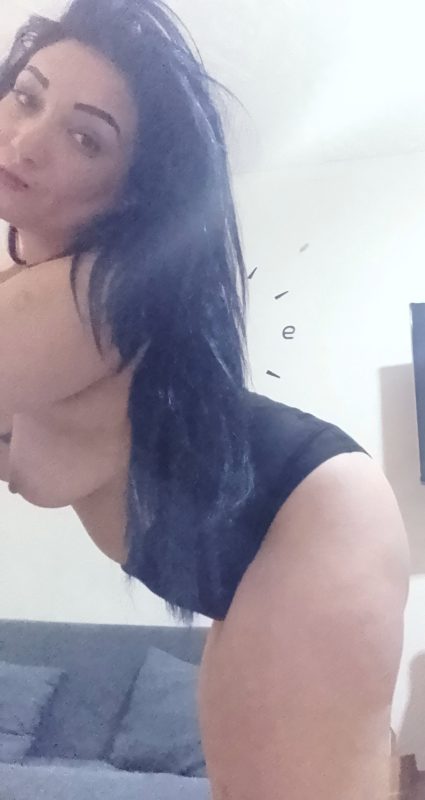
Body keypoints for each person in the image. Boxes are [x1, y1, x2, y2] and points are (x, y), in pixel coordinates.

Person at [0, 1, 410, 797]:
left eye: (86, 138)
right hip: (248, 559)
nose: (28, 139)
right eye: (26, 96)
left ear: (129, 191)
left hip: (306, 515)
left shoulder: (106, 293)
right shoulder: (32, 285)